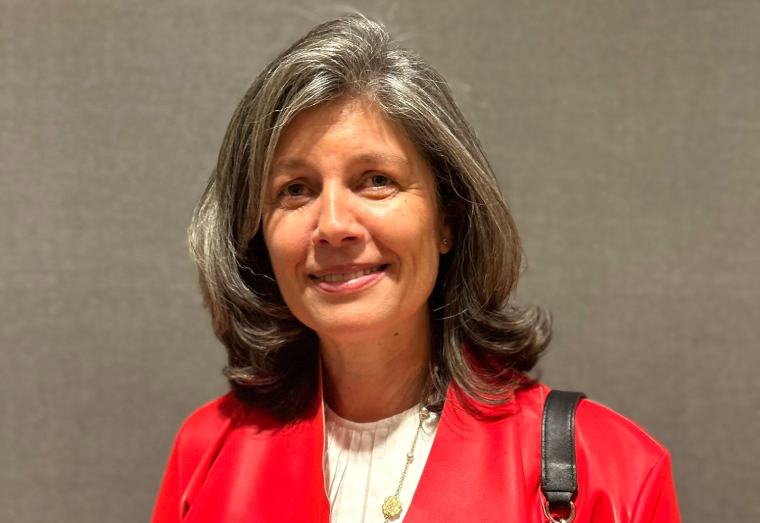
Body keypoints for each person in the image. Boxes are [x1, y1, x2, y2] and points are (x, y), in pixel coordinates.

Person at [151, 14, 680, 523]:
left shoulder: (608, 469)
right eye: (295, 190)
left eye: (376, 180)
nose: (333, 225)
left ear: (448, 218)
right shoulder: (205, 454)